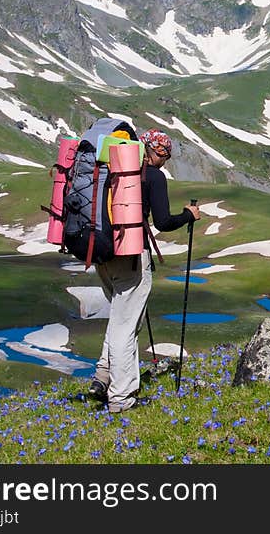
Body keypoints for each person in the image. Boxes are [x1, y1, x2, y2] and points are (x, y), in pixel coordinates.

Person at [88, 129, 201, 413]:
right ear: (149, 150)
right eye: (163, 154)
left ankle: (102, 378)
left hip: (101, 252)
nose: (165, 161)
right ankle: (122, 398)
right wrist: (189, 215)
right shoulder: (153, 177)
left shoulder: (108, 170)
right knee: (126, 326)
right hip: (131, 255)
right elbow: (162, 222)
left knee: (120, 317)